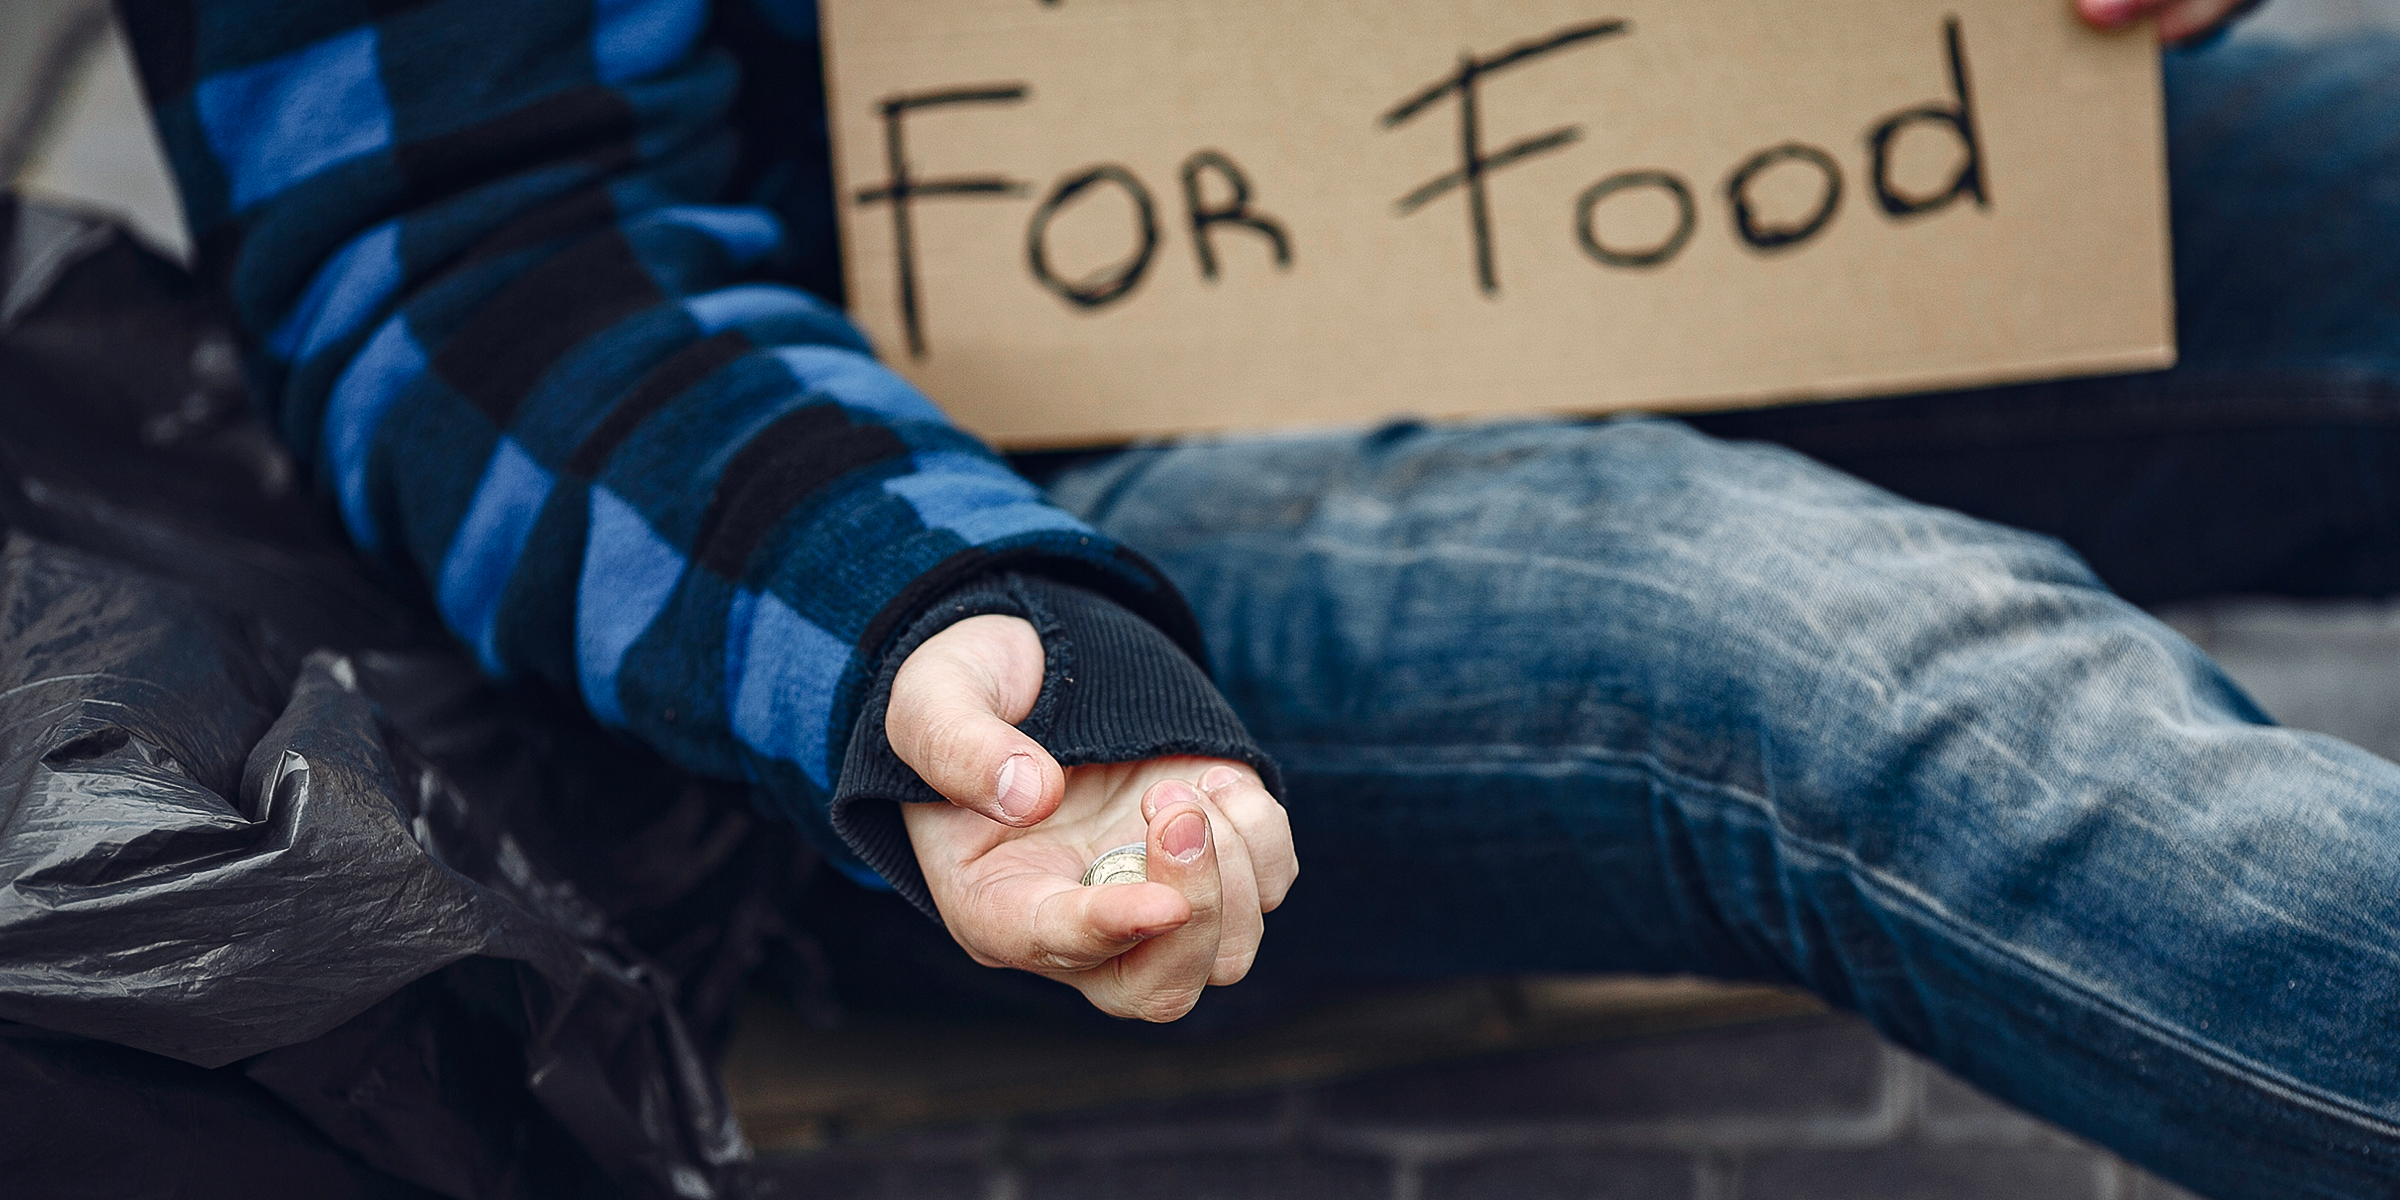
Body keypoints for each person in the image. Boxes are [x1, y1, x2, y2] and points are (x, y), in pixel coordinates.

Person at [105, 0, 2400, 1192]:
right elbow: (475, 261)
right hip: (949, 493)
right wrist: (919, 612)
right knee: (1840, 673)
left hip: (1701, 167)